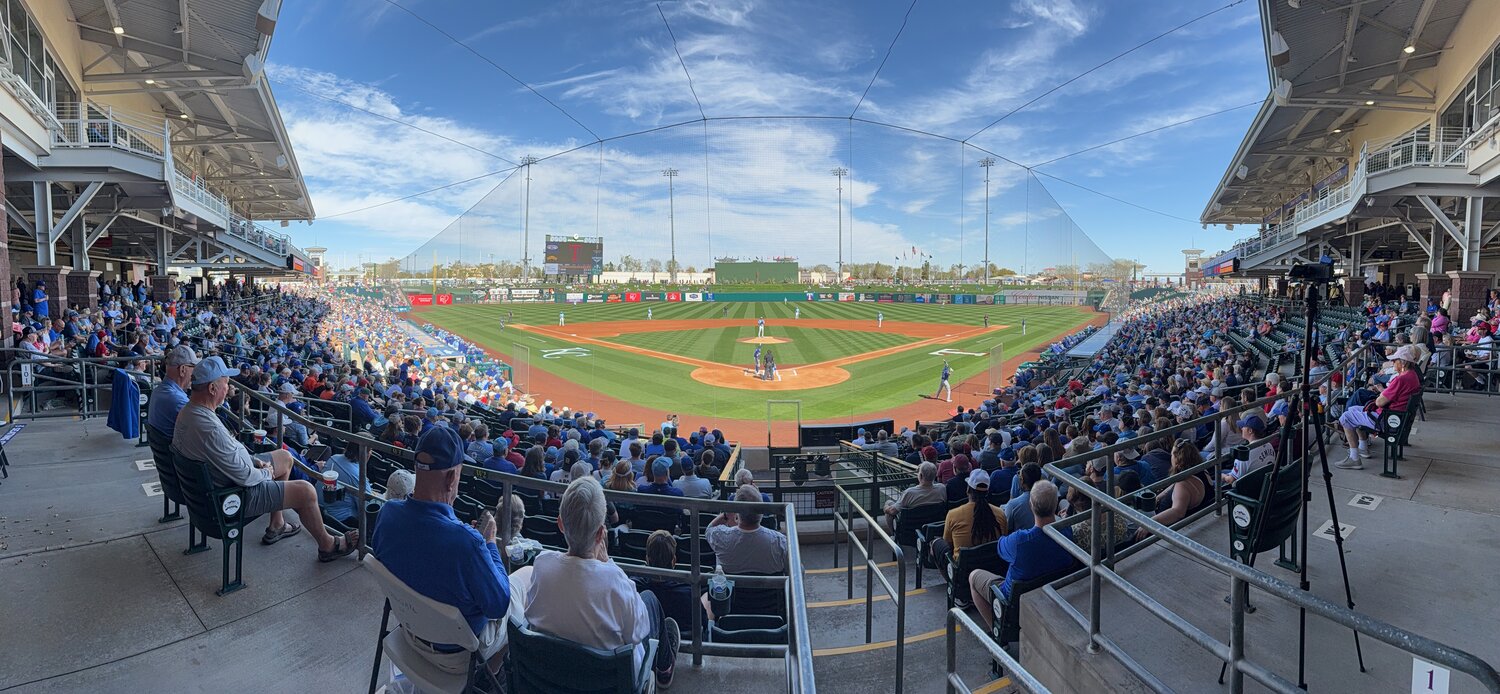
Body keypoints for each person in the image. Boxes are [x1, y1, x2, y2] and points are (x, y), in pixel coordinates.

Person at [171, 356, 358, 561]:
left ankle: (277, 523)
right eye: (226, 383)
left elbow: (223, 454)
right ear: (213, 389)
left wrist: (253, 460)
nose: (229, 387)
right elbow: (246, 478)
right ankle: (328, 545)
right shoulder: (208, 427)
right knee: (306, 491)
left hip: (213, 489)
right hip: (230, 497)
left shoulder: (189, 412)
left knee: (285, 457)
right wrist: (265, 472)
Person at [512, 477, 681, 687]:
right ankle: (664, 668)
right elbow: (639, 632)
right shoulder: (615, 580)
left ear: (561, 524)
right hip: (613, 683)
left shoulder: (541, 565)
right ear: (601, 534)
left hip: (549, 680)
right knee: (650, 600)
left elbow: (532, 613)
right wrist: (607, 563)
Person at [372, 426, 511, 673]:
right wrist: (489, 543)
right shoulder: (468, 543)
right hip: (457, 658)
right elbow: (498, 606)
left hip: (407, 634)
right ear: (451, 479)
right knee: (520, 590)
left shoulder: (387, 514)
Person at [968, 480, 1074, 634]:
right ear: (1056, 504)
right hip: (1050, 595)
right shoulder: (1066, 530)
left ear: (1031, 505)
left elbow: (1000, 546)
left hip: (1012, 602)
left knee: (973, 576)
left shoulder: (1019, 540)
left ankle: (998, 634)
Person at [1337, 343, 1423, 469]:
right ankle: (1363, 448)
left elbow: (1379, 402)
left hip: (1387, 420)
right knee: (1353, 409)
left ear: (1403, 363)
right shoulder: (1413, 375)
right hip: (1396, 417)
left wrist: (1381, 391)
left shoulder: (1401, 379)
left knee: (1346, 417)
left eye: (1395, 361)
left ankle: (1354, 458)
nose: (1393, 363)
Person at [705, 485, 788, 575]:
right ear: (762, 512)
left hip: (734, 589)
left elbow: (709, 529)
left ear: (736, 513)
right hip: (773, 588)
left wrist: (726, 514)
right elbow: (795, 572)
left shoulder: (720, 536)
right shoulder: (780, 541)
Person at [1136, 441, 1209, 540]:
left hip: (1166, 527)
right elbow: (1174, 485)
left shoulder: (1183, 485)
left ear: (1178, 461)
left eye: (1172, 455)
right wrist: (1159, 497)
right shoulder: (1201, 470)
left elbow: (1178, 512)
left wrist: (1149, 523)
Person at [932, 469, 1006, 563]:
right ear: (987, 492)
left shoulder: (953, 514)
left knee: (936, 544)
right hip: (992, 566)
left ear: (968, 490)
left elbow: (948, 544)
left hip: (962, 571)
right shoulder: (1000, 513)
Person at [147, 345, 197, 439]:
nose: (195, 374)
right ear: (182, 370)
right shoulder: (179, 401)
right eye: (194, 368)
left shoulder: (158, 391)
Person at [882, 462, 946, 530]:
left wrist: (885, 508)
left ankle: (893, 536)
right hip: (933, 526)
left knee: (888, 503)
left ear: (920, 476)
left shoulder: (909, 493)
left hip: (912, 530)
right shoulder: (941, 488)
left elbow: (892, 511)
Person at [1004, 463, 1042, 532]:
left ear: (1022, 480)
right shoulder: (1048, 500)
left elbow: (1006, 529)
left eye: (1020, 477)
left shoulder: (1012, 505)